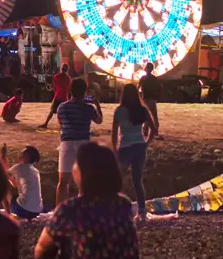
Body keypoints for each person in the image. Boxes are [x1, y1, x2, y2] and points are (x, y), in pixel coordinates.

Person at [26, 142, 140, 259]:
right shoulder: (123, 204)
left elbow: (40, 250)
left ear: (83, 172)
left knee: (51, 252)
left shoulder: (71, 209)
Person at [111, 83, 157, 220]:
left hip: (125, 147)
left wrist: (115, 149)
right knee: (137, 180)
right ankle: (142, 211)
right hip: (139, 146)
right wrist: (146, 142)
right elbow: (153, 129)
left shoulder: (119, 111)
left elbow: (114, 134)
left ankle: (116, 210)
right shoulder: (142, 110)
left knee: (117, 181)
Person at [55, 78, 103, 208]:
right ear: (84, 92)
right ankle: (82, 210)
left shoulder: (62, 107)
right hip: (83, 143)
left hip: (67, 142)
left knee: (63, 181)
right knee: (84, 181)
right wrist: (97, 104)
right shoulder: (88, 108)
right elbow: (99, 120)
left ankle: (58, 212)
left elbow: (61, 123)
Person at [2, 144, 42, 220]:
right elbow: (14, 184)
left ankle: (7, 215)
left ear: (27, 156)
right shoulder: (35, 171)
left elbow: (3, 175)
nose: (19, 155)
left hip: (22, 210)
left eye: (22, 153)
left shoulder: (19, 167)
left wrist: (3, 157)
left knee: (2, 182)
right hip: (36, 211)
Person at [39, 64, 72, 129]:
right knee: (64, 113)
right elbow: (69, 89)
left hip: (57, 96)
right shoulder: (69, 78)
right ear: (67, 69)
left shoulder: (56, 76)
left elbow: (54, 88)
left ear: (61, 68)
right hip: (65, 97)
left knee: (51, 111)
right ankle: (62, 126)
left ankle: (46, 124)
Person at [137, 62, 163, 139]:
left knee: (146, 116)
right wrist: (157, 96)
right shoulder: (154, 79)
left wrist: (139, 96)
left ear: (145, 69)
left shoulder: (143, 78)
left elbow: (138, 88)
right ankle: (155, 131)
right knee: (154, 116)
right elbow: (159, 88)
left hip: (145, 99)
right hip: (152, 99)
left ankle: (145, 131)